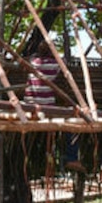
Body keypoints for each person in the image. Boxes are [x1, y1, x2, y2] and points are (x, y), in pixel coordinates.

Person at [24, 41, 84, 173]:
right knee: (71, 124)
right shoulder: (54, 64)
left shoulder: (33, 62)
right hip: (46, 108)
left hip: (28, 106)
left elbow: (30, 55)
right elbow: (66, 60)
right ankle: (71, 158)